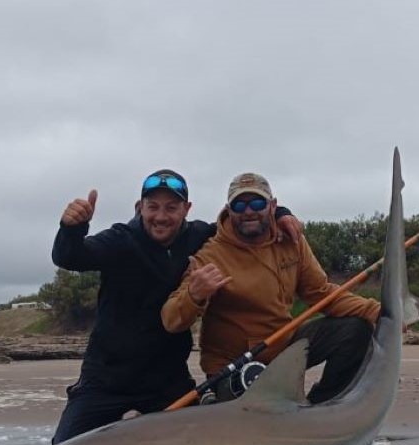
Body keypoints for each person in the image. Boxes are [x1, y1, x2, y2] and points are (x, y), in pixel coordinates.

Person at [50, 169, 303, 444]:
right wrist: (72, 229)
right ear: (140, 207)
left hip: (166, 381)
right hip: (106, 379)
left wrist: (281, 214)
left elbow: (240, 223)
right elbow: (70, 257)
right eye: (153, 207)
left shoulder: (199, 236)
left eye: (171, 208)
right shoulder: (120, 240)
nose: (161, 216)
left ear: (186, 209)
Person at [162, 172, 380, 404]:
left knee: (355, 329)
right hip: (234, 365)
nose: (248, 211)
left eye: (257, 203)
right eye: (239, 205)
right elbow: (171, 320)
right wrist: (194, 295)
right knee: (255, 414)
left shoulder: (291, 239)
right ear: (228, 210)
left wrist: (379, 312)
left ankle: (322, 406)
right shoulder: (210, 256)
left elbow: (322, 293)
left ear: (273, 206)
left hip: (284, 347)